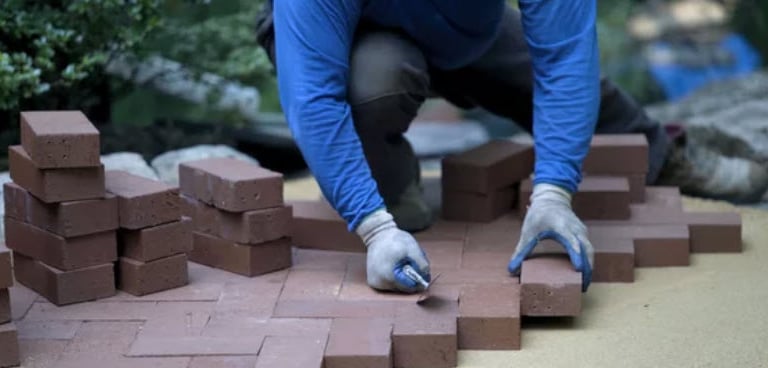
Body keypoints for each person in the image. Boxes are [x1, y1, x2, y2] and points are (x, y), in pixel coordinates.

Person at [254, 0, 768, 294]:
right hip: (350, 37)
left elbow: (565, 58)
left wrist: (554, 192)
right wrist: (374, 226)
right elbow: (313, 99)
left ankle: (661, 155)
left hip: (459, 23)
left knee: (570, 83)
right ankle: (389, 185)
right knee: (377, 82)